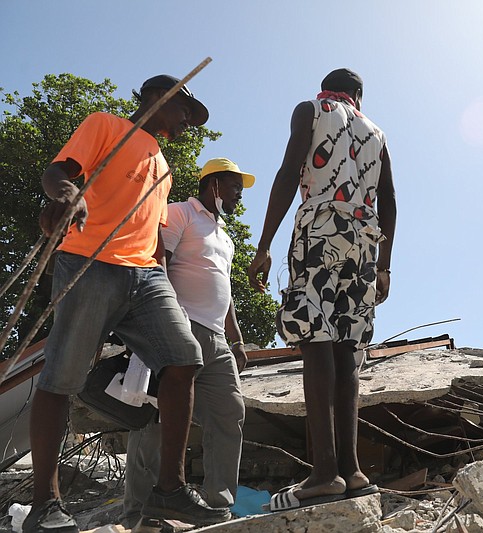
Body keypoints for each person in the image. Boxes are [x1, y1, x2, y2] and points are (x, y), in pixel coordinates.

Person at [27, 75, 230, 533]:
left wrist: (160, 278)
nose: (186, 123)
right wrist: (67, 195)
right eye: (184, 111)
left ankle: (169, 491)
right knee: (61, 377)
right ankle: (45, 505)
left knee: (183, 359)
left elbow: (153, 234)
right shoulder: (106, 126)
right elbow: (58, 173)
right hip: (90, 262)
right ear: (159, 98)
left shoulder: (163, 164)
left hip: (146, 274)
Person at [248, 68, 396, 511]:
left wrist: (265, 243)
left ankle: (324, 473)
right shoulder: (377, 133)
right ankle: (352, 472)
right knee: (348, 348)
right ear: (359, 96)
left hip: (320, 229)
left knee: (315, 339)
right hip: (363, 241)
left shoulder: (312, 110)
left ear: (328, 90)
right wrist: (385, 267)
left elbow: (290, 170)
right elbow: (389, 200)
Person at [121, 158, 255, 529]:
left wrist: (237, 339)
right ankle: (139, 514)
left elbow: (222, 290)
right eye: (233, 187)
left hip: (215, 338)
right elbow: (156, 258)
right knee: (156, 422)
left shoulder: (224, 235)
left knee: (230, 413)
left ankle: (218, 508)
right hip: (176, 327)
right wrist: (168, 316)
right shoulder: (179, 212)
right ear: (213, 185)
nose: (238, 195)